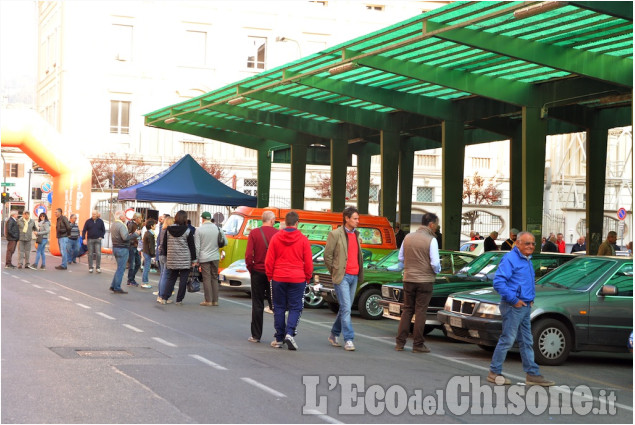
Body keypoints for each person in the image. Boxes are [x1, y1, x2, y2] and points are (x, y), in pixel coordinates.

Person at [488, 231, 555, 387]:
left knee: (526, 340)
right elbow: (498, 282)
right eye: (527, 243)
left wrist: (529, 300)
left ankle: (532, 374)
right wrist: (514, 300)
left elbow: (524, 282)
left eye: (533, 243)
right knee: (507, 340)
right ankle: (494, 372)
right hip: (513, 306)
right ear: (517, 243)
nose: (531, 246)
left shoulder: (527, 259)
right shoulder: (510, 259)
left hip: (524, 305)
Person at [265, 211, 313, 350]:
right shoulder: (303, 239)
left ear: (285, 223)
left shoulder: (276, 237)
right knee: (295, 307)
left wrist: (270, 276)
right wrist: (307, 277)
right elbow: (308, 262)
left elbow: (269, 259)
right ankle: (290, 333)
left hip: (278, 276)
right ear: (297, 223)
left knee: (278, 307)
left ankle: (279, 338)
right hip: (298, 278)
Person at [395, 212, 440, 353]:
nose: (437, 228)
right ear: (431, 225)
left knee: (407, 310)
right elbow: (435, 263)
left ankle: (400, 343)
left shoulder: (407, 237)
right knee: (420, 311)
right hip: (425, 281)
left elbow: (401, 258)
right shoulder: (431, 240)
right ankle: (418, 344)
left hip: (408, 279)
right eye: (436, 225)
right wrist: (437, 271)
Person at [323, 206, 363, 351]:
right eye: (355, 218)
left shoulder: (357, 235)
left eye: (358, 218)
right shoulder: (335, 234)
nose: (358, 221)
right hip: (342, 276)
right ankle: (349, 339)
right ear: (346, 219)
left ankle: (334, 334)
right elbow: (327, 256)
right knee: (346, 308)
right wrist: (335, 271)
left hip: (354, 276)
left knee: (345, 308)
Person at [245, 210, 279, 343]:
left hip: (257, 272)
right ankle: (279, 335)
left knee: (257, 304)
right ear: (272, 220)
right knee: (276, 304)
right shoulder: (277, 234)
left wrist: (251, 268)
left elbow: (248, 255)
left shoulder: (254, 233)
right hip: (273, 273)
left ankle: (256, 335)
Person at [160, 210, 197, 305]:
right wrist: (194, 259)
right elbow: (191, 246)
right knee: (183, 280)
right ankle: (179, 300)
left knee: (171, 278)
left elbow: (164, 245)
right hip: (185, 259)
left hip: (172, 258)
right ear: (185, 219)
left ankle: (164, 297)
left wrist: (165, 256)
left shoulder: (168, 230)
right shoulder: (187, 231)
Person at [195, 211, 227, 307]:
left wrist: (196, 260)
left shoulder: (199, 230)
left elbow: (197, 247)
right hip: (215, 257)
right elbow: (225, 242)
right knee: (214, 278)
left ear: (203, 219)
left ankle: (208, 300)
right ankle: (215, 300)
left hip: (204, 257)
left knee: (206, 278)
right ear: (210, 219)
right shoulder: (218, 228)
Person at [110, 210, 140, 294]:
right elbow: (125, 237)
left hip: (116, 247)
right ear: (121, 217)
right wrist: (135, 234)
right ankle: (117, 287)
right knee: (121, 268)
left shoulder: (114, 224)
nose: (125, 217)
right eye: (124, 216)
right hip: (122, 248)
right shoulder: (121, 225)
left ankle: (114, 285)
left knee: (119, 268)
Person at [156, 216, 174, 303]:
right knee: (166, 276)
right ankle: (162, 296)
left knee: (162, 275)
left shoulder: (162, 230)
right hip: (166, 254)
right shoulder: (169, 231)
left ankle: (160, 295)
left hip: (161, 254)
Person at [127, 213, 143, 286]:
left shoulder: (138, 225)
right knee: (132, 264)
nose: (141, 219)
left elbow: (138, 236)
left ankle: (131, 278)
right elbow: (128, 236)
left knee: (138, 263)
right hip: (132, 246)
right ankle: (130, 279)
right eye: (140, 218)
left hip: (136, 246)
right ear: (136, 218)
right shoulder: (131, 225)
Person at [141, 219, 156, 289]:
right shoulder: (150, 234)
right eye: (154, 225)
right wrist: (153, 254)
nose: (155, 226)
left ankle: (145, 282)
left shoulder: (147, 233)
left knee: (146, 267)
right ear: (151, 226)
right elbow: (151, 245)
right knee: (146, 268)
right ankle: (145, 282)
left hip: (145, 252)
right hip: (148, 253)